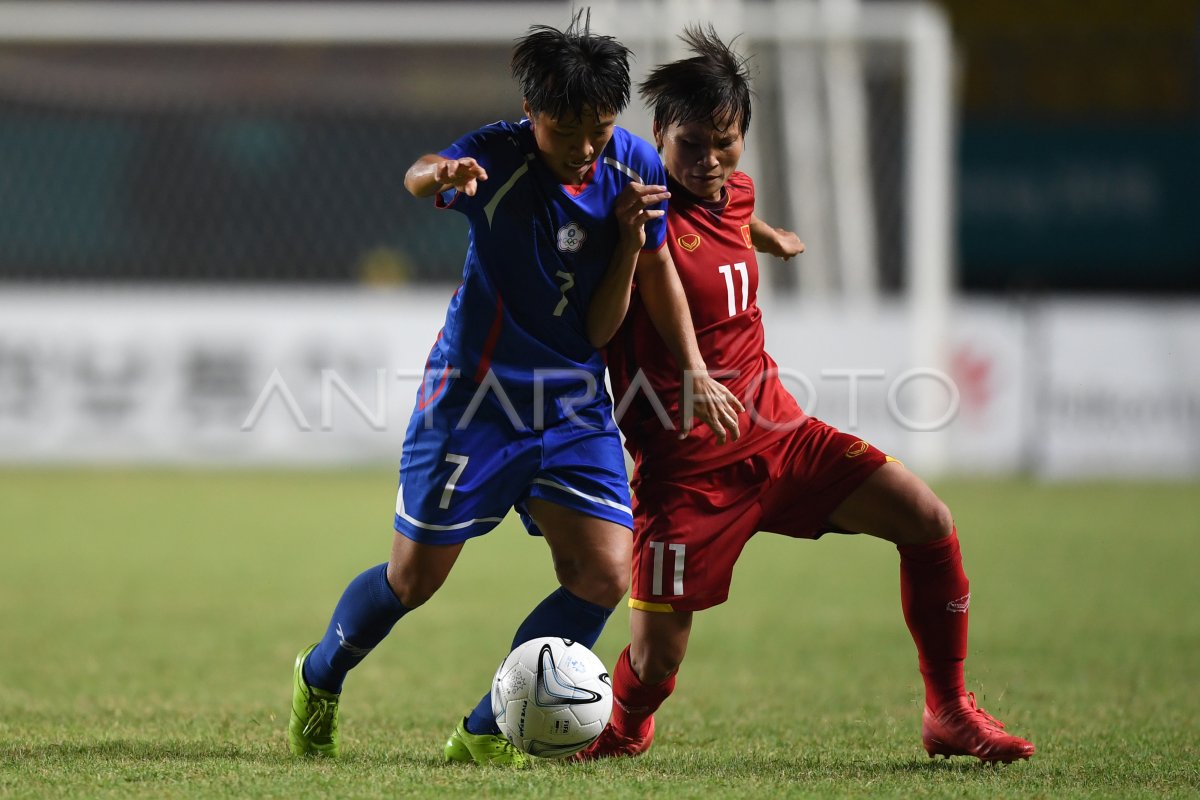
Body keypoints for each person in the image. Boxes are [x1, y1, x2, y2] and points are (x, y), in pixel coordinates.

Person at [287, 12, 741, 767]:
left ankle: (486, 728)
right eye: (566, 130)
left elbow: (617, 312)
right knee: (413, 579)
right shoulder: (493, 158)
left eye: (598, 128)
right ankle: (319, 675)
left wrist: (682, 347)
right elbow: (419, 171)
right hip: (473, 402)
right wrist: (441, 175)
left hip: (571, 403)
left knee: (603, 575)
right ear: (531, 114)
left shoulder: (633, 166)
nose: (585, 147)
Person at [572, 26, 1036, 765]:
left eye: (726, 143)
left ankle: (948, 709)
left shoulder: (732, 191)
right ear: (657, 134)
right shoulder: (626, 218)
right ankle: (626, 726)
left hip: (783, 437)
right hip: (686, 474)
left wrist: (765, 235)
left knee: (928, 520)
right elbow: (608, 317)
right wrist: (627, 248)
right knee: (656, 662)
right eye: (691, 144)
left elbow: (725, 215)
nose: (711, 162)